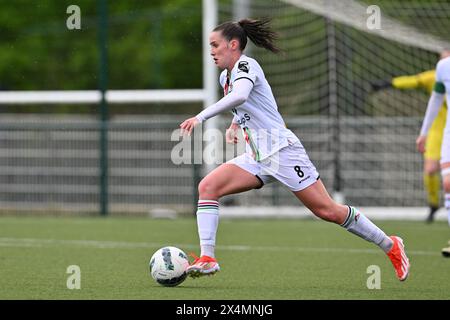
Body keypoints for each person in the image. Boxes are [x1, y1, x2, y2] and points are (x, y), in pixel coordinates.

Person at [180, 18, 410, 280]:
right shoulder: (226, 76)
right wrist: (234, 124)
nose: (211, 50)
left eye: (215, 45)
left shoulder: (247, 64)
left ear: (233, 44)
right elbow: (248, 104)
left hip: (282, 151)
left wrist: (200, 117)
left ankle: (390, 245)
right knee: (208, 187)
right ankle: (208, 258)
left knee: (327, 210)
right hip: (256, 157)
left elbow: (242, 95)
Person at [371, 50, 450, 223]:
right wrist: (388, 83)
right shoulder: (434, 76)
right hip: (439, 131)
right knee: (432, 171)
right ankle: (433, 204)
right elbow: (412, 81)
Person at [416, 52, 450, 257]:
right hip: (449, 132)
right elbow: (436, 99)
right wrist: (424, 133)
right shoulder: (443, 67)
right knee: (447, 183)